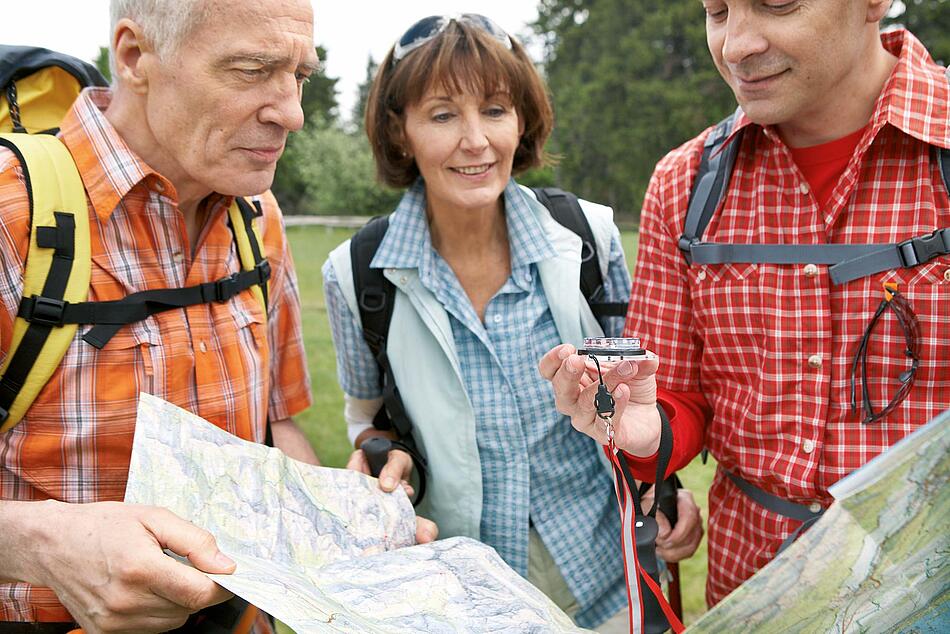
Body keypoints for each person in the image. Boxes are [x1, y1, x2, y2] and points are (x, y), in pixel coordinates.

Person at [0, 1, 434, 632]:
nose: (292, 112)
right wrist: (44, 543)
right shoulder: (12, 217)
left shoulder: (258, 219)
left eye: (299, 76)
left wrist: (344, 522)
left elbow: (275, 431)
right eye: (251, 70)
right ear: (134, 56)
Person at [542, 0, 949, 610]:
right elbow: (675, 397)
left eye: (777, 3)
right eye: (717, 11)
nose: (735, 46)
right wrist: (644, 433)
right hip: (754, 595)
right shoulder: (684, 185)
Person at [322, 15, 703, 632]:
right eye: (443, 114)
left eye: (495, 110)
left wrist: (666, 485)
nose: (476, 140)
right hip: (459, 596)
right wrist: (382, 459)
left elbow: (634, 388)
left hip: (610, 583)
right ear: (400, 133)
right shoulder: (356, 275)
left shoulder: (589, 238)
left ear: (521, 119)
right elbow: (368, 420)